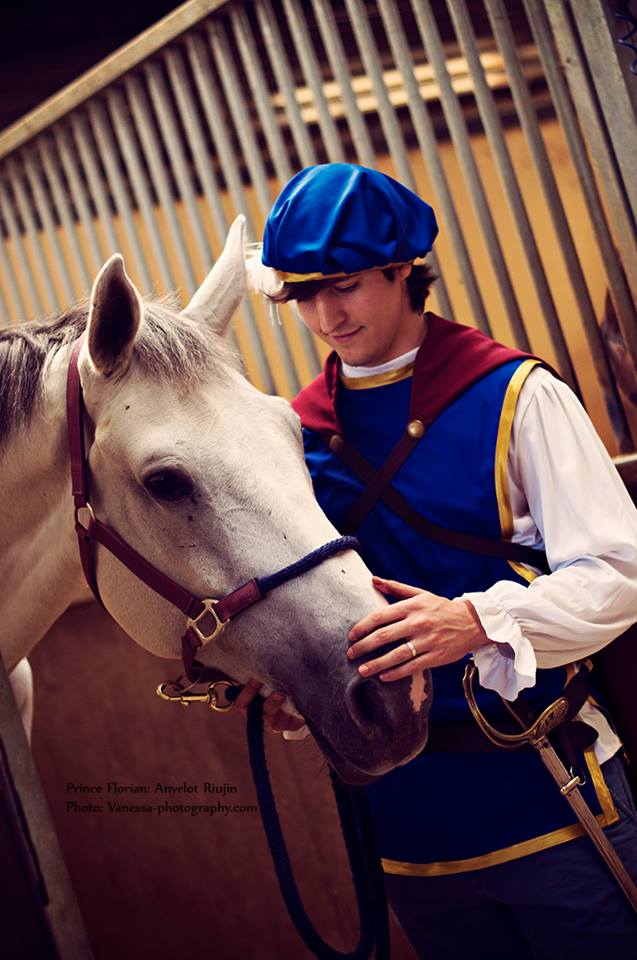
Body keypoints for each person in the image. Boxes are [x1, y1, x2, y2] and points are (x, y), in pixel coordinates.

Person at [238, 162, 637, 958]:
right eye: (300, 293)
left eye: (343, 283)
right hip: (402, 821)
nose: (323, 312)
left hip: (545, 789)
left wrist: (475, 621)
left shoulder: (516, 394)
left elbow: (619, 575)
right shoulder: (294, 433)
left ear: (402, 269)